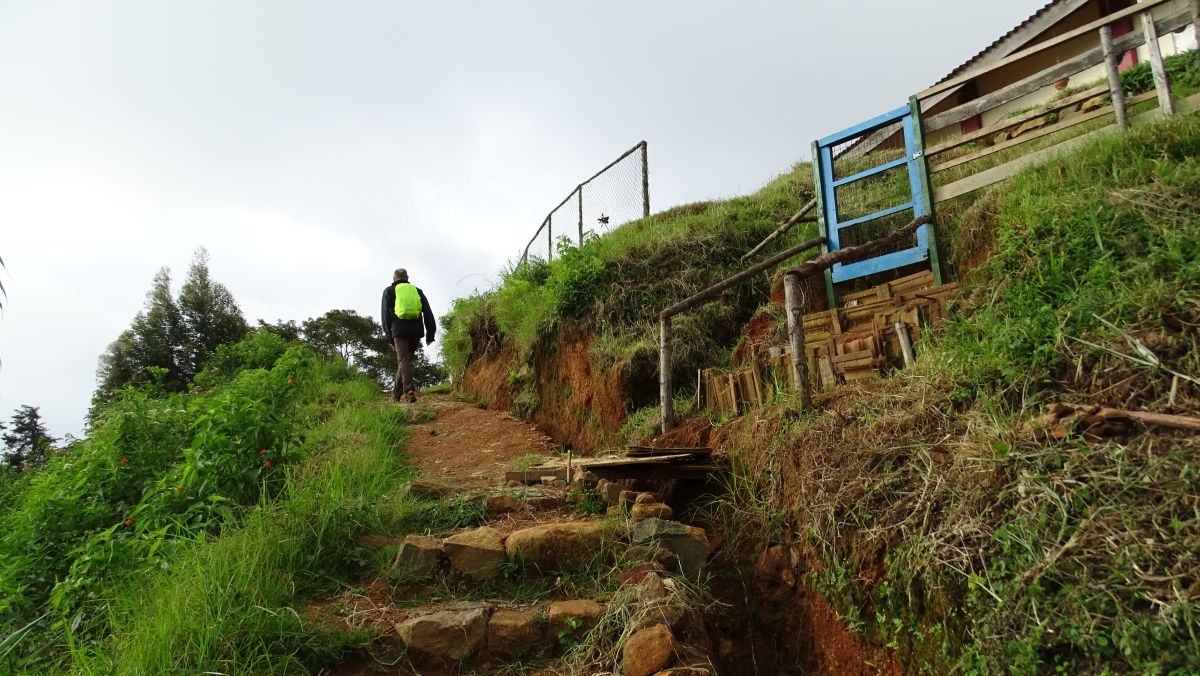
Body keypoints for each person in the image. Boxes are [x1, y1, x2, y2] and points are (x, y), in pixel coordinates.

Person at [381, 268, 436, 402]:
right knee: (405, 361)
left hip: (399, 331)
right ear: (407, 278)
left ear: (394, 279)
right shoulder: (417, 291)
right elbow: (428, 312)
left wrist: (389, 337)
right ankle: (395, 396)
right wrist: (430, 334)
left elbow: (385, 315)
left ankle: (409, 390)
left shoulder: (389, 291)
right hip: (416, 331)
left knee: (403, 360)